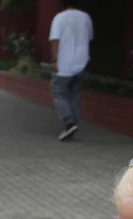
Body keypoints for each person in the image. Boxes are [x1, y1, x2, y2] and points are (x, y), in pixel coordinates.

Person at [48, 0, 93, 141]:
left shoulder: (59, 18)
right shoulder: (85, 17)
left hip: (64, 63)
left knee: (57, 91)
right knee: (74, 94)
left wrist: (54, 60)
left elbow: (55, 40)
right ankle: (72, 124)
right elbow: (89, 38)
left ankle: (69, 122)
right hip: (81, 62)